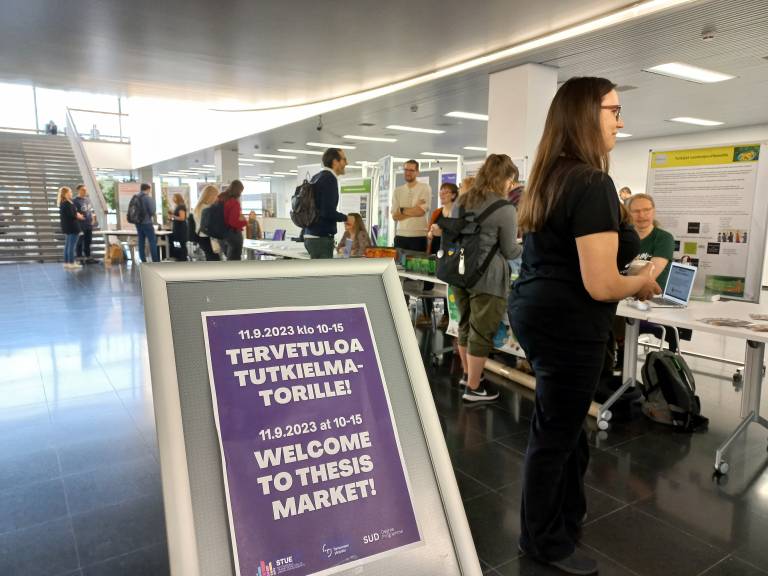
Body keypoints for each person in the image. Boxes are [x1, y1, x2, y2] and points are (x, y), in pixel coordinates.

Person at [509, 77, 660, 575]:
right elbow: (599, 284)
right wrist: (641, 281)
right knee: (557, 432)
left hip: (537, 311)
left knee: (564, 426)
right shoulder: (590, 183)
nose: (621, 120)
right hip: (569, 322)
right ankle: (544, 541)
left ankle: (562, 523)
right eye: (613, 110)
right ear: (584, 115)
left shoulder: (550, 176)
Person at [450, 154, 522, 402]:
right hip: (487, 277)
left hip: (459, 271)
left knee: (465, 324)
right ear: (505, 178)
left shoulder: (462, 200)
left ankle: (469, 375)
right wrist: (526, 246)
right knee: (481, 332)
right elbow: (511, 250)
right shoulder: (505, 208)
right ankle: (474, 389)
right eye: (511, 180)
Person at [627, 192, 691, 352]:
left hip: (653, 301)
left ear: (653, 211)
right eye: (636, 211)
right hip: (626, 298)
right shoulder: (624, 236)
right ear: (629, 213)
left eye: (646, 210)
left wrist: (624, 281)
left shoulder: (664, 238)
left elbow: (650, 276)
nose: (641, 215)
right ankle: (620, 361)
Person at [303, 148, 348, 259]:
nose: (347, 163)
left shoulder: (317, 177)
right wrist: (346, 218)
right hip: (321, 239)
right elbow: (327, 212)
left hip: (310, 235)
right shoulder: (329, 179)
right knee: (323, 275)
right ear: (335, 162)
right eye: (344, 159)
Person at [391, 160, 431, 252]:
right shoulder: (397, 191)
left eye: (411, 170)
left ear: (417, 172)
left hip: (418, 236)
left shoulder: (425, 188)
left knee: (418, 266)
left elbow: (420, 212)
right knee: (398, 266)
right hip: (400, 236)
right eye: (405, 170)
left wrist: (401, 210)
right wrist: (414, 209)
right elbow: (395, 216)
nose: (408, 173)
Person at [58, 186, 84, 269]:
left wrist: (76, 214)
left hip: (68, 228)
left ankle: (67, 262)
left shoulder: (63, 203)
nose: (71, 194)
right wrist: (78, 216)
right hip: (72, 228)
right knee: (71, 246)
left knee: (68, 246)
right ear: (65, 194)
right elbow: (72, 215)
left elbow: (71, 214)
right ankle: (71, 263)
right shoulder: (67, 203)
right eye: (70, 192)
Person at [221, 180, 247, 260]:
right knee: (234, 259)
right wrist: (244, 222)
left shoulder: (222, 198)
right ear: (238, 191)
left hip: (222, 233)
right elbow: (233, 222)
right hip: (233, 234)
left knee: (229, 257)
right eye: (241, 191)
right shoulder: (234, 203)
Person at [193, 185, 220, 261]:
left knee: (210, 257)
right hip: (208, 238)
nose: (217, 198)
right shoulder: (208, 208)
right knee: (214, 260)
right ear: (211, 196)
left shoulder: (198, 207)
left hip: (200, 237)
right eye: (216, 195)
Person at [134, 183, 159, 263]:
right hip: (147, 223)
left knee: (141, 241)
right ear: (148, 189)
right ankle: (155, 260)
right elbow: (152, 211)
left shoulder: (135, 198)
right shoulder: (148, 198)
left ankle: (143, 259)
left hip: (138, 223)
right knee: (152, 241)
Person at [73, 184, 97, 264]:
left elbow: (91, 211)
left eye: (85, 190)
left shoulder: (88, 200)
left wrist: (93, 219)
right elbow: (74, 213)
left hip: (88, 224)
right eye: (83, 190)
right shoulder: (75, 201)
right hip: (80, 225)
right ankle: (79, 258)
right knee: (79, 242)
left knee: (88, 241)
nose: (85, 191)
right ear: (79, 190)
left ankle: (88, 257)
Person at [168, 192, 188, 261]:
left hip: (181, 229)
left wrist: (173, 216)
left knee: (181, 243)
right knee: (177, 243)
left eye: (174, 197)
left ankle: (183, 258)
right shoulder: (177, 206)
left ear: (178, 198)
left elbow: (182, 218)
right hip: (177, 228)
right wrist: (172, 218)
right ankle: (178, 256)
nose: (173, 199)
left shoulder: (181, 206)